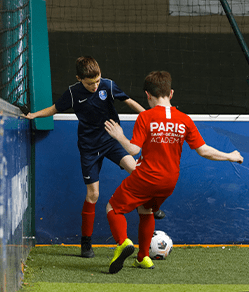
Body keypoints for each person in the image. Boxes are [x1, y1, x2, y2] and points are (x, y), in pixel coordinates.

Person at [24, 56, 165, 258]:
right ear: (79, 79)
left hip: (111, 141)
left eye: (97, 81)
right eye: (90, 83)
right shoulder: (73, 93)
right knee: (93, 195)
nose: (95, 86)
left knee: (137, 170)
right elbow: (54, 109)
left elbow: (129, 101)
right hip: (89, 148)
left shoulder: (107, 85)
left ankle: (154, 204)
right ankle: (86, 242)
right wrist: (34, 115)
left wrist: (151, 117)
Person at [104, 70, 244, 274]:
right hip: (168, 182)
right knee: (146, 210)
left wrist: (119, 135)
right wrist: (231, 155)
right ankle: (143, 258)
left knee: (113, 208)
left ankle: (123, 242)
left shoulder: (146, 117)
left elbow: (134, 150)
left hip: (146, 177)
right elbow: (204, 151)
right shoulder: (184, 120)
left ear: (148, 95)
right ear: (171, 94)